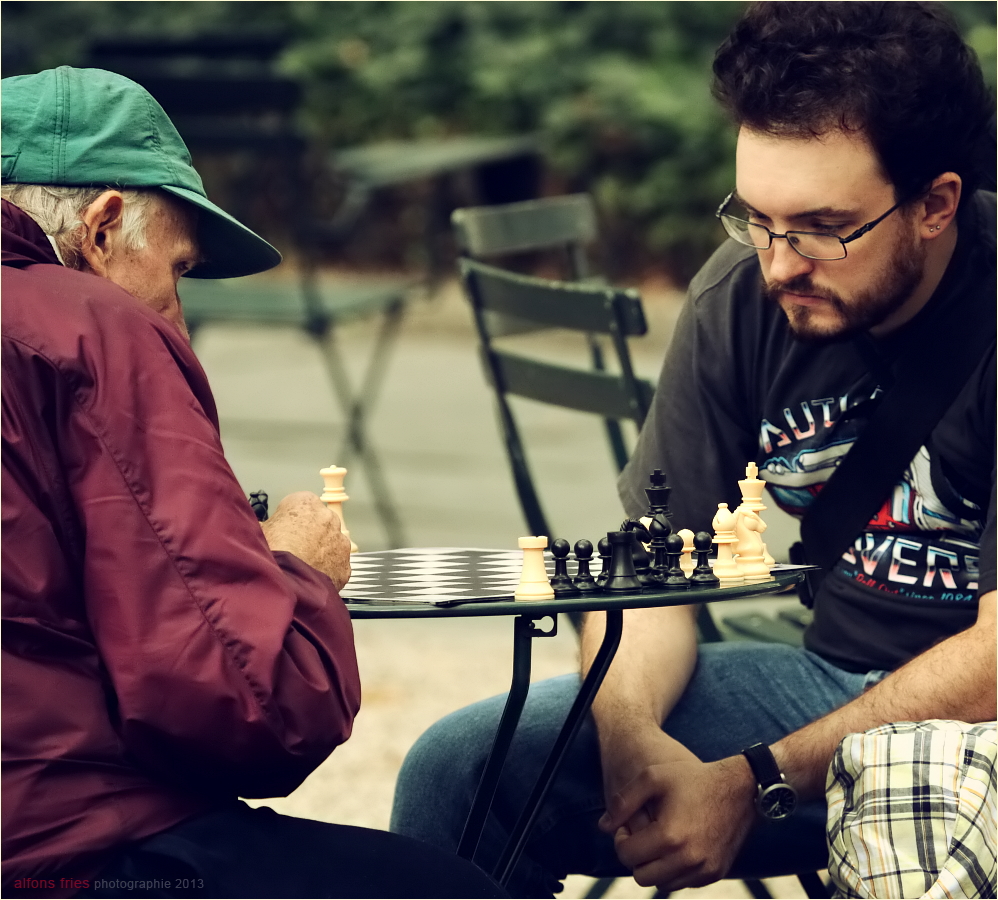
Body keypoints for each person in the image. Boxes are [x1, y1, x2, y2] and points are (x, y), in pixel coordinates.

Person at [389, 3, 996, 896]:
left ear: (936, 205)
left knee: (914, 831)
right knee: (463, 771)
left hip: (973, 724)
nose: (778, 263)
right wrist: (632, 738)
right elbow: (652, 572)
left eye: (822, 227)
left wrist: (755, 782)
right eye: (755, 217)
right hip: (828, 682)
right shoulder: (745, 294)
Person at [1, 66, 505, 898]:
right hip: (67, 848)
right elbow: (254, 709)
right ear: (102, 226)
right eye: (180, 272)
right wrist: (299, 576)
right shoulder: (93, 330)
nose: (178, 320)